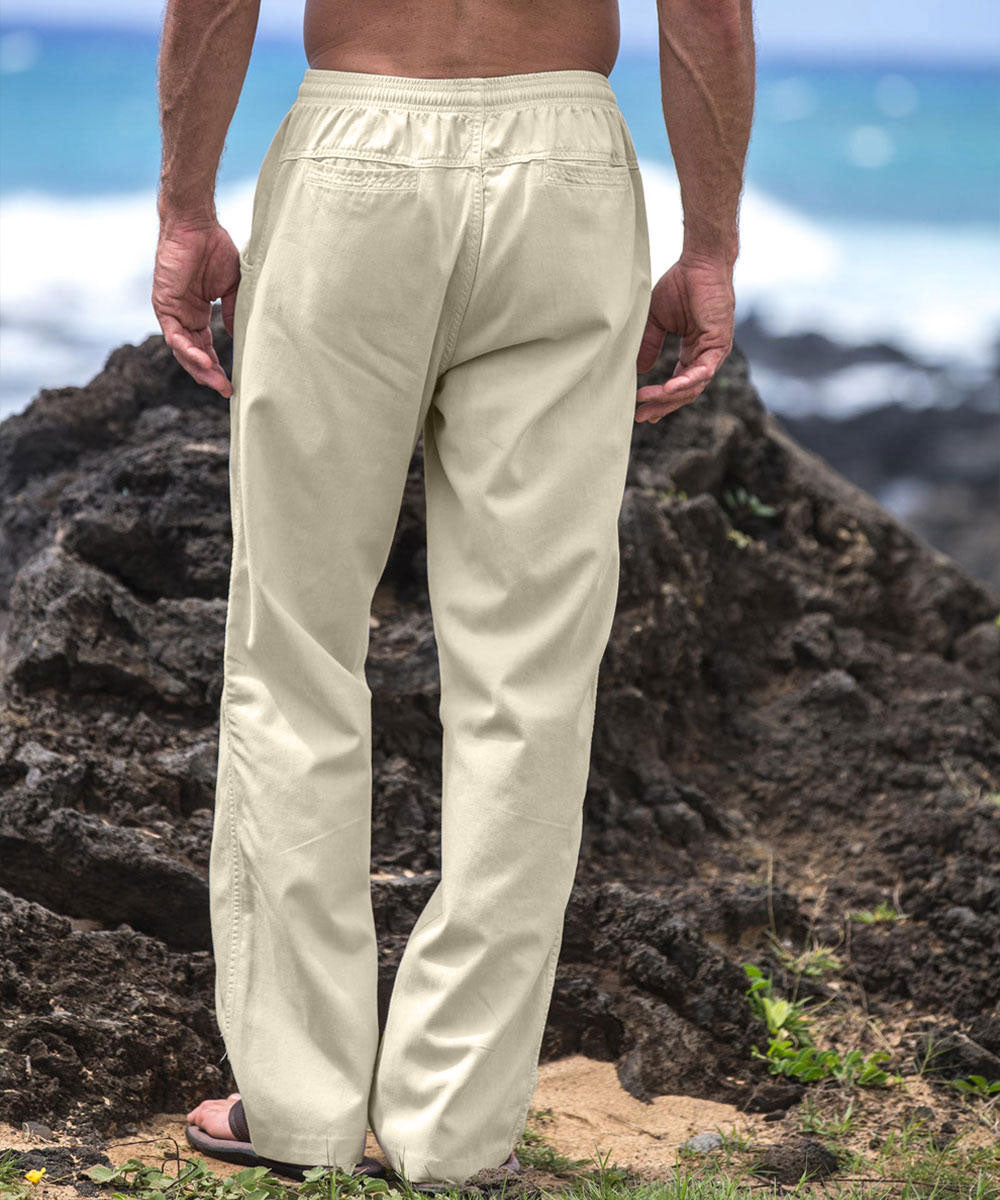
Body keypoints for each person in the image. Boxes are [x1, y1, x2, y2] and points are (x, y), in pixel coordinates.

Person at [152, 0, 755, 1188]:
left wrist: (185, 206)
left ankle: (301, 1106)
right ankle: (454, 1127)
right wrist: (710, 241)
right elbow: (705, 8)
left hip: (354, 156)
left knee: (296, 654)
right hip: (567, 165)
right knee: (529, 674)